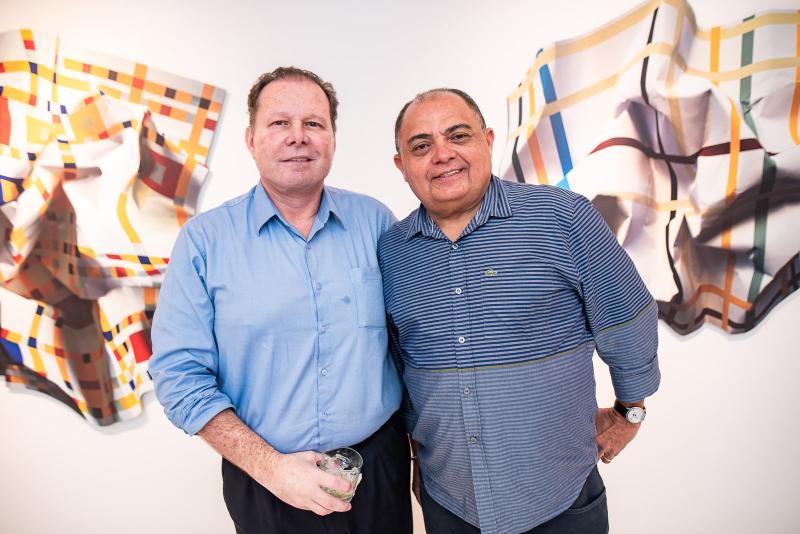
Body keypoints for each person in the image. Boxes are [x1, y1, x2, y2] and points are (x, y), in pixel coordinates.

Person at [377, 88, 660, 534]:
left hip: (560, 498)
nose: (442, 154)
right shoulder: (393, 252)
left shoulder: (563, 218)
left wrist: (631, 412)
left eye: (458, 136)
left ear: (488, 141)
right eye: (421, 146)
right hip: (449, 501)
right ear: (401, 165)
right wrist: (417, 457)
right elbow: (402, 365)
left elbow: (627, 321)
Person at [149, 67, 412, 534]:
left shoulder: (376, 223)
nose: (298, 137)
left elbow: (412, 340)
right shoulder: (205, 241)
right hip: (266, 480)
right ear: (250, 139)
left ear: (332, 138)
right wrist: (270, 467)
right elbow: (178, 376)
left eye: (314, 123)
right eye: (279, 123)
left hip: (379, 471)